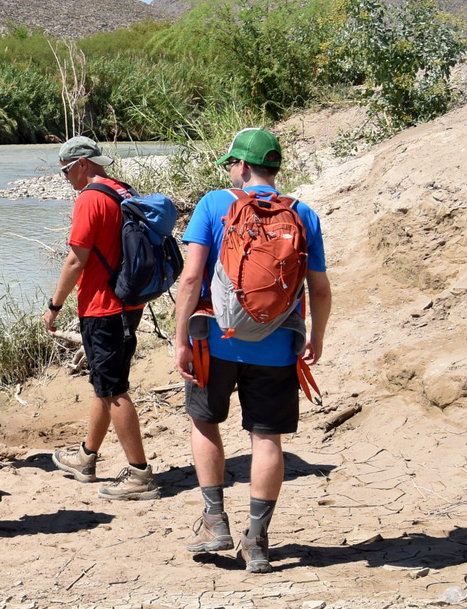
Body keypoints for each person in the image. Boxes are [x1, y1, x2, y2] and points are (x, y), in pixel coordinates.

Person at [173, 128, 331, 573]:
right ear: (274, 168)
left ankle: (214, 522)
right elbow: (318, 289)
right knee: (266, 439)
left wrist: (181, 339)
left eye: (232, 163)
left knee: (204, 424)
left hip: (214, 341)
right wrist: (316, 337)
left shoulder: (213, 204)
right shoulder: (303, 215)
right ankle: (257, 541)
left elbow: (190, 279)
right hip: (278, 345)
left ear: (242, 166)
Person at [42, 136, 159, 501]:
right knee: (106, 383)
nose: (65, 179)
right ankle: (86, 457)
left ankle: (140, 474)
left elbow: (76, 259)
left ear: (82, 164)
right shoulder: (122, 190)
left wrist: (54, 305)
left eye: (65, 171)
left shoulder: (90, 198)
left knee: (114, 390)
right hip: (129, 302)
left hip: (103, 307)